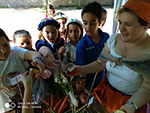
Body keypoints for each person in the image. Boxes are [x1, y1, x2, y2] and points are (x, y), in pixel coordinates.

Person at [67, 0, 150, 112]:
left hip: (131, 102)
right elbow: (101, 62)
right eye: (120, 22)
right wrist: (80, 69)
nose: (121, 29)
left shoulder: (147, 53)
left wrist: (129, 106)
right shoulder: (114, 40)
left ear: (146, 25)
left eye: (128, 24)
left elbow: (147, 87)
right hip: (105, 94)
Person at [0, 28, 50, 113]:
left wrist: (37, 59)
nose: (4, 51)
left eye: (6, 45)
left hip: (30, 98)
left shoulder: (14, 51)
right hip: (7, 106)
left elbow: (33, 54)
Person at [74, 2, 110, 91]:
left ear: (100, 22)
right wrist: (82, 80)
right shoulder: (82, 45)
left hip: (105, 82)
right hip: (89, 86)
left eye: (92, 23)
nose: (88, 27)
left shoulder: (107, 38)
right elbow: (81, 68)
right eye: (85, 23)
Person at [36, 18, 64, 82]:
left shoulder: (62, 42)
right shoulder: (41, 43)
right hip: (49, 77)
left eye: (54, 32)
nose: (51, 35)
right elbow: (42, 48)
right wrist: (46, 53)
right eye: (47, 32)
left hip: (63, 75)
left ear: (58, 31)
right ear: (42, 33)